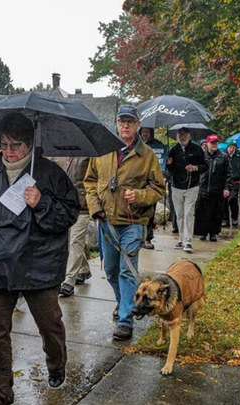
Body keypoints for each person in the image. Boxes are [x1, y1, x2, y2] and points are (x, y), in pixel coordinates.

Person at [0, 112, 79, 404]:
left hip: (38, 264)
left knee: (49, 325)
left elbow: (69, 214)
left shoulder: (50, 174)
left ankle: (56, 364)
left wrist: (41, 202)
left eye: (16, 144)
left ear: (30, 144)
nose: (9, 151)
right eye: (4, 144)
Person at [84, 105, 166, 341]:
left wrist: (139, 196)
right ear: (116, 123)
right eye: (122, 121)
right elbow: (89, 181)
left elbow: (158, 187)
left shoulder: (147, 155)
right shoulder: (102, 151)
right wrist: (95, 208)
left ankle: (125, 320)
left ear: (138, 124)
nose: (126, 126)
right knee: (110, 270)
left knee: (126, 271)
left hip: (133, 222)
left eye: (130, 121)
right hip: (107, 221)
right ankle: (124, 303)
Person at [50, 155, 92, 297]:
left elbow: (93, 178)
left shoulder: (87, 154)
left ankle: (68, 282)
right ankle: (84, 269)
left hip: (82, 205)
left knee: (75, 241)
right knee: (70, 242)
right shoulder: (55, 154)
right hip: (61, 205)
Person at [166, 127, 206, 253]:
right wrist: (168, 164)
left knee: (189, 213)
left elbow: (205, 166)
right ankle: (181, 238)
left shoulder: (197, 149)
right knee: (180, 215)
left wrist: (195, 168)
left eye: (184, 134)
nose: (182, 137)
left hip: (192, 186)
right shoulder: (173, 150)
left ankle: (188, 241)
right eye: (179, 135)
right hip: (176, 186)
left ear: (189, 135)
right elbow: (169, 170)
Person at [195, 135, 231, 241]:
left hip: (217, 189)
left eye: (216, 143)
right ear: (207, 144)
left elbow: (228, 173)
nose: (214, 145)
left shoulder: (223, 157)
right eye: (212, 143)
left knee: (216, 213)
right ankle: (203, 232)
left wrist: (227, 188)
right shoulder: (202, 156)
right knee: (203, 212)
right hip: (203, 188)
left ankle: (213, 233)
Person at [139, 127, 167, 249]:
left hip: (151, 183)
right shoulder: (135, 144)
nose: (145, 134)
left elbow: (162, 164)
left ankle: (148, 238)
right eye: (143, 131)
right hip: (137, 184)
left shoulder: (158, 146)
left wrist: (167, 163)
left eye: (147, 132)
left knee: (150, 212)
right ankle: (139, 237)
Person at [222, 140, 240, 227]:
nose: (232, 149)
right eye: (230, 147)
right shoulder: (223, 154)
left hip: (236, 180)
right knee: (224, 200)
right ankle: (225, 219)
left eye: (233, 147)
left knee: (233, 198)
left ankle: (234, 218)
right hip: (226, 180)